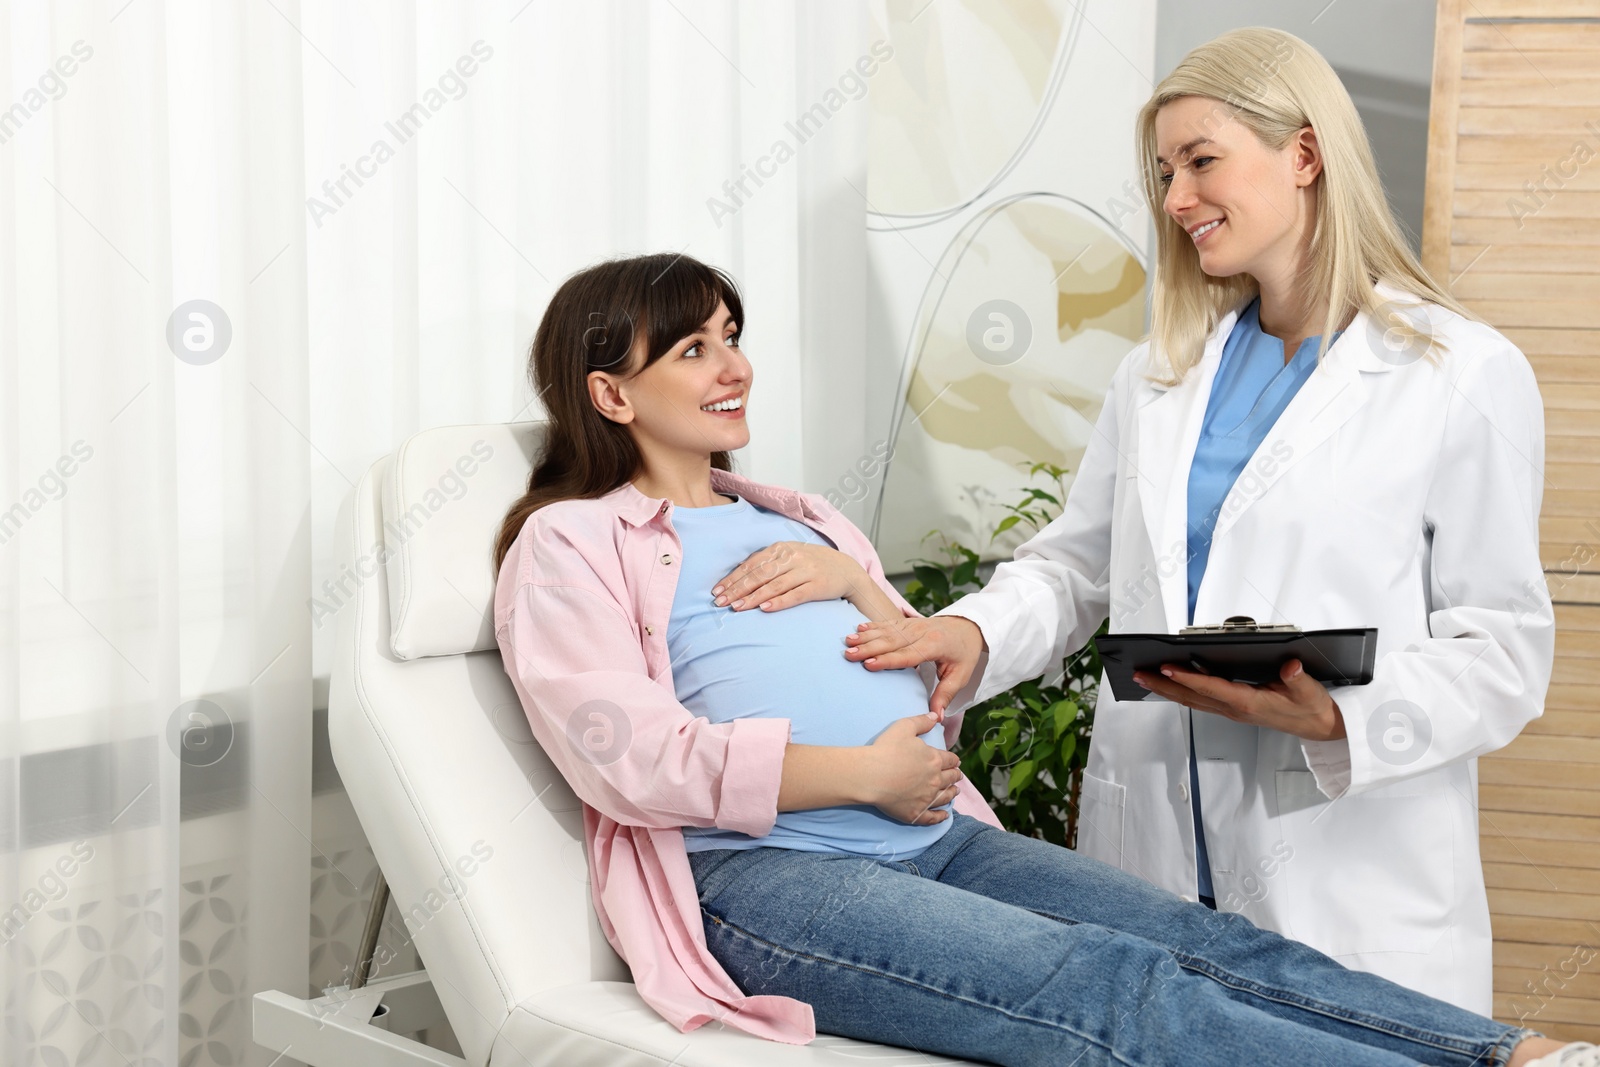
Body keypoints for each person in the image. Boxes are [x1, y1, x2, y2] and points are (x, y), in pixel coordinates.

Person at [491, 251, 1592, 1066]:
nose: (732, 366)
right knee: (1114, 987)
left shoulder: (803, 516)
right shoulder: (571, 540)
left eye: (731, 333)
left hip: (934, 835)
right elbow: (628, 752)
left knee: (1194, 938)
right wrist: (855, 775)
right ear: (611, 393)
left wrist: (861, 586)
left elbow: (927, 693)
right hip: (770, 874)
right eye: (693, 348)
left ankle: (1516, 1054)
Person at [845, 25, 1555, 1017]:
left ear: (1303, 154)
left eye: (1201, 161)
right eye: (1165, 171)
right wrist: (968, 630)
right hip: (1156, 865)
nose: (1175, 198)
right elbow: (1072, 569)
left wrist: (1336, 716)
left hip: (1347, 874)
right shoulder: (1159, 373)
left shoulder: (1457, 372)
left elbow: (1503, 649)